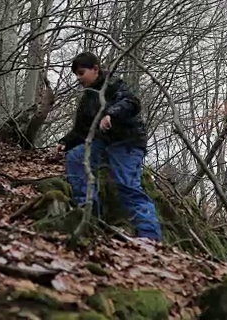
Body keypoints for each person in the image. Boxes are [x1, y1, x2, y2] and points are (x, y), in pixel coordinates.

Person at [56, 52, 162, 242]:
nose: (79, 78)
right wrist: (64, 143)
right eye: (77, 75)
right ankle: (87, 214)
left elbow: (132, 103)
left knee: (127, 185)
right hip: (103, 143)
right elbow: (81, 131)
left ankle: (150, 235)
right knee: (76, 157)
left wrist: (111, 114)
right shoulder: (88, 98)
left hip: (127, 142)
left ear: (95, 69)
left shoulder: (114, 85)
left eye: (82, 73)